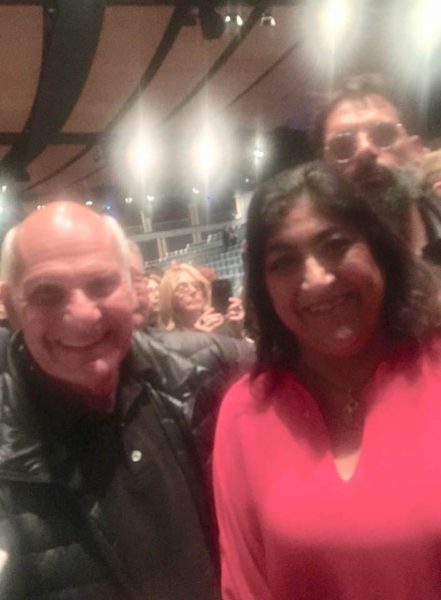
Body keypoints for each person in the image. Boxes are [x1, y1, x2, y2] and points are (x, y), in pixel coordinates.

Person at [213, 161, 441, 599]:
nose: (316, 280)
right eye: (284, 262)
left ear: (378, 250)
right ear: (264, 288)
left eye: (335, 245)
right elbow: (245, 586)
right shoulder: (245, 413)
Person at [0, 202, 221, 599]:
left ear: (133, 288)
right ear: (12, 305)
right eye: (47, 293)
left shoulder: (208, 370)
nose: (83, 315)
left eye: (101, 283)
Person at [313, 73, 441, 256]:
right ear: (325, 172)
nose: (365, 150)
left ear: (416, 152)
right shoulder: (321, 266)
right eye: (342, 146)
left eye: (384, 134)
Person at [158, 263, 244, 338]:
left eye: (196, 285)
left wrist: (237, 331)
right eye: (183, 288)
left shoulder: (222, 324)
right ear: (170, 299)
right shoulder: (170, 340)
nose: (193, 291)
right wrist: (200, 339)